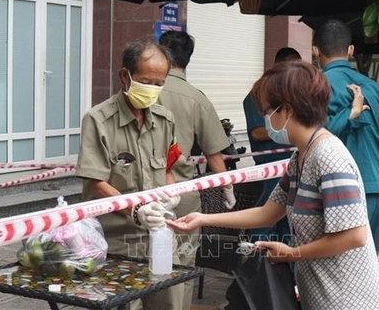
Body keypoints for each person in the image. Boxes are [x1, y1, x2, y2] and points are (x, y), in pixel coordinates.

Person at [166, 61, 379, 310]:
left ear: (288, 109)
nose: (265, 119)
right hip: (321, 296)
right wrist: (203, 219)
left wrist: (291, 253)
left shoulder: (328, 156)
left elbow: (353, 236)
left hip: (348, 300)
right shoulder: (301, 156)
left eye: (267, 111)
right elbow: (268, 213)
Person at [76, 42, 184, 310]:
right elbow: (97, 182)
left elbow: (168, 168)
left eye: (159, 83)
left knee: (167, 303)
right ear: (125, 76)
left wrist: (170, 195)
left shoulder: (165, 118)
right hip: (116, 243)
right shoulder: (98, 120)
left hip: (160, 236)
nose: (153, 90)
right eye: (146, 81)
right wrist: (136, 211)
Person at [313, 19, 379, 253]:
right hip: (375, 191)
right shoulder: (375, 89)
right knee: (366, 271)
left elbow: (310, 134)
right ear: (351, 50)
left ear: (315, 51)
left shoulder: (316, 88)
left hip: (335, 192)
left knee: (334, 270)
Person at [157, 30, 236, 310]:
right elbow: (215, 153)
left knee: (141, 261)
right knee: (181, 262)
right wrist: (228, 189)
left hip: (140, 194)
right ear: (188, 59)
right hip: (182, 196)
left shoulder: (139, 89)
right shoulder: (196, 98)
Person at [243, 47, 301, 244]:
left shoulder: (290, 94)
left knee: (288, 221)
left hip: (291, 165)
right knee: (267, 220)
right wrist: (283, 130)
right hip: (271, 168)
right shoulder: (259, 94)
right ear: (277, 66)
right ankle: (257, 264)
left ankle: (283, 267)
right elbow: (256, 132)